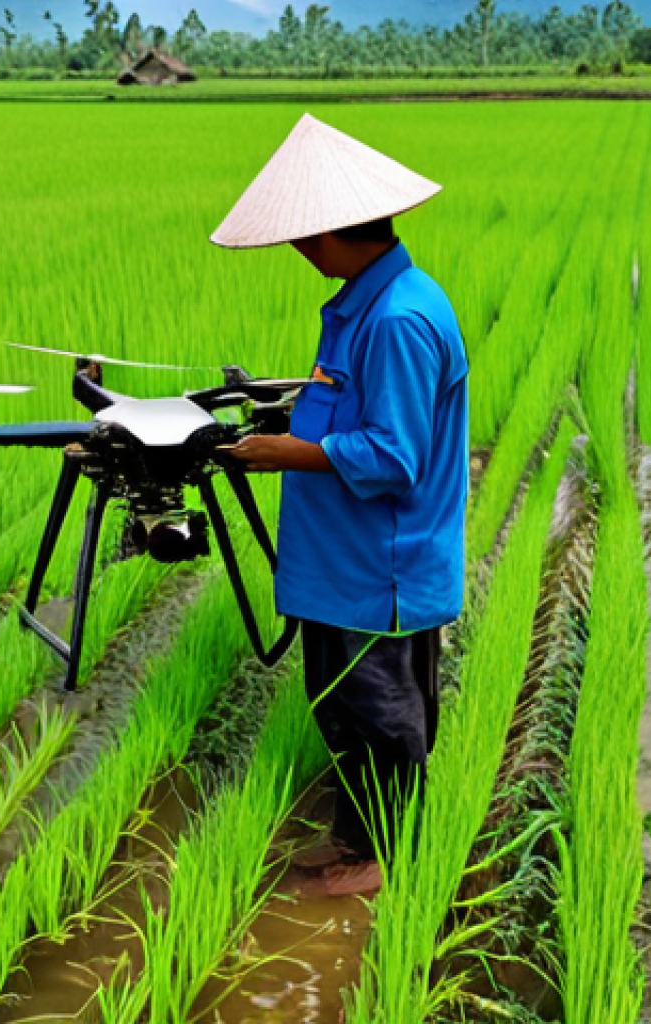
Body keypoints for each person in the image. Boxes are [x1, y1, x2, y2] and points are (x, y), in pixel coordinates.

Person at [211, 114, 469, 897]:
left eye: (301, 237)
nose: (295, 250)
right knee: (348, 713)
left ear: (327, 234)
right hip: (345, 564)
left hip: (376, 571)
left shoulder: (395, 320)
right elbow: (350, 412)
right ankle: (357, 843)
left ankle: (381, 863)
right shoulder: (368, 302)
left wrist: (279, 452)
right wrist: (287, 420)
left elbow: (393, 455)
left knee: (381, 719)